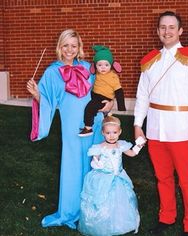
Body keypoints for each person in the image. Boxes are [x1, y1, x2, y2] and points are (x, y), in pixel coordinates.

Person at [134, 11, 188, 236]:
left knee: (187, 181)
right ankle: (167, 217)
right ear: (158, 31)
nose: (166, 31)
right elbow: (142, 96)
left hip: (182, 129)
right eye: (162, 27)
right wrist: (138, 124)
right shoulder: (150, 61)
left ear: (180, 31)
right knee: (163, 177)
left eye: (171, 27)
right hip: (156, 129)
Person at [26, 29, 113, 229]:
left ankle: (95, 210)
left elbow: (103, 88)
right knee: (73, 167)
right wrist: (36, 93)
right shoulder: (52, 71)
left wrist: (109, 104)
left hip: (94, 122)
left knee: (95, 164)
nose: (70, 50)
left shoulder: (87, 68)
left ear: (79, 47)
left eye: (74, 46)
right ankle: (70, 211)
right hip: (72, 126)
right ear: (60, 47)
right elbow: (47, 101)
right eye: (66, 45)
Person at [78, 115, 145, 236]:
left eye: (114, 132)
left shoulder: (121, 145)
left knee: (120, 201)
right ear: (103, 133)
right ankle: (102, 225)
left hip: (118, 177)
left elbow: (132, 153)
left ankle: (120, 223)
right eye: (108, 133)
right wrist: (97, 163)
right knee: (103, 201)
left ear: (120, 132)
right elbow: (94, 160)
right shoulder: (99, 147)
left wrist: (138, 146)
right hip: (104, 178)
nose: (112, 135)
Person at [79, 45, 126, 137]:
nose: (103, 68)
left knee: (89, 108)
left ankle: (88, 128)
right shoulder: (97, 73)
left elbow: (119, 91)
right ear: (95, 66)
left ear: (111, 65)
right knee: (90, 105)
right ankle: (106, 113)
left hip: (103, 98)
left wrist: (121, 106)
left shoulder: (113, 77)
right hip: (95, 95)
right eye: (100, 65)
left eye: (106, 65)